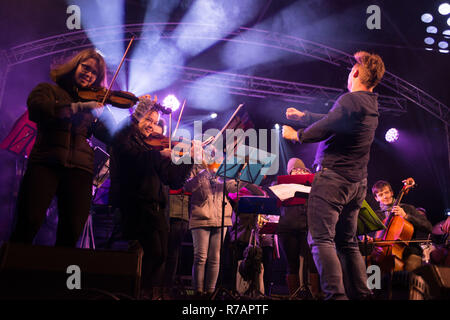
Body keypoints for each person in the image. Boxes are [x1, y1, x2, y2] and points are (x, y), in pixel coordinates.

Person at [282, 51, 385, 300]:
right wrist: (304, 116)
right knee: (347, 242)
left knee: (320, 239)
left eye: (352, 68)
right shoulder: (369, 104)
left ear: (356, 72)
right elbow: (334, 120)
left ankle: (336, 297)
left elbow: (328, 125)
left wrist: (298, 135)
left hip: (333, 180)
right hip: (356, 184)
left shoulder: (350, 100)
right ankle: (362, 295)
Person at [10, 49, 109, 247]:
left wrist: (134, 119)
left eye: (94, 73)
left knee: (72, 230)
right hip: (46, 161)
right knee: (29, 221)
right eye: (85, 67)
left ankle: (60, 276)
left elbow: (111, 136)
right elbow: (38, 109)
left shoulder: (93, 104)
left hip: (80, 169)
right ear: (75, 65)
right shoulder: (49, 90)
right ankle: (11, 272)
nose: (88, 74)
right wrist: (76, 107)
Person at [109, 96, 195, 299]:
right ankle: (133, 294)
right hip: (136, 205)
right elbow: (133, 159)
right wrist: (160, 155)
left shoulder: (152, 147)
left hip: (158, 209)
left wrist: (189, 158)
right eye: (148, 120)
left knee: (161, 257)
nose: (151, 126)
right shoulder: (127, 139)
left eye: (155, 123)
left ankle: (146, 294)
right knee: (151, 255)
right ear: (137, 118)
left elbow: (173, 180)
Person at [277, 157, 321, 299]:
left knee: (313, 262)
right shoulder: (281, 185)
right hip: (287, 228)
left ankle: (316, 294)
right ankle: (293, 295)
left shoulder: (312, 185)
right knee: (292, 264)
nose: (298, 171)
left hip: (308, 227)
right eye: (295, 170)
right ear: (289, 173)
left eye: (301, 169)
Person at [370, 180, 433, 272]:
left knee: (410, 270)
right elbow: (371, 235)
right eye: (380, 194)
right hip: (382, 254)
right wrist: (370, 239)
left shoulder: (407, 208)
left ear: (392, 193)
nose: (385, 196)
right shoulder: (376, 216)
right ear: (376, 198)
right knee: (371, 271)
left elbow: (428, 227)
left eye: (387, 192)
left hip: (410, 252)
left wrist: (406, 216)